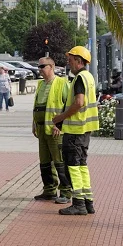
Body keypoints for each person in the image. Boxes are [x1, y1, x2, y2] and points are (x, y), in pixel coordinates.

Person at [51, 46, 98, 216]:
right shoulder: (89, 77)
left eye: (70, 60)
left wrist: (61, 117)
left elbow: (79, 102)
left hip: (75, 131)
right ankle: (87, 201)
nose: (68, 63)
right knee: (82, 166)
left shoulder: (79, 78)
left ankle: (78, 204)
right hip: (84, 131)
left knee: (73, 167)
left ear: (79, 61)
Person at [32, 57, 73, 204]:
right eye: (39, 66)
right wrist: (34, 123)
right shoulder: (41, 84)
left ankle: (66, 192)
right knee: (45, 161)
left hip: (55, 130)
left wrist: (60, 124)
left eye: (42, 66)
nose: (40, 69)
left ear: (52, 67)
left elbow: (69, 106)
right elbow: (37, 105)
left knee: (59, 161)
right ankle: (49, 190)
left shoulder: (62, 83)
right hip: (42, 128)